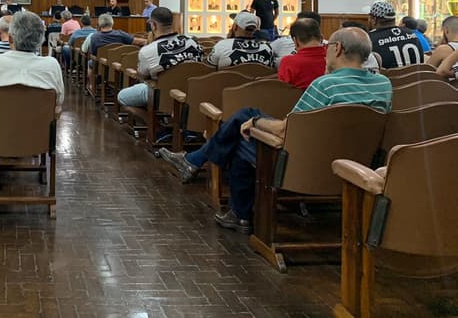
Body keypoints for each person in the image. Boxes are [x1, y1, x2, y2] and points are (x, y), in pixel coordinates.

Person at [159, 27, 391, 232]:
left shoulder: (325, 84)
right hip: (359, 162)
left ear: (337, 48)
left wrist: (257, 123)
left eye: (328, 46)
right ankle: (199, 167)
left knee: (243, 131)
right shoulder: (383, 84)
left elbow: (284, 130)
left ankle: (235, 209)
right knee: (245, 119)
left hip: (303, 166)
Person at [0, 11, 64, 193]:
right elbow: (58, 103)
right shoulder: (52, 65)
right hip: (37, 137)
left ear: (10, 38)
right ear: (40, 40)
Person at [116, 7, 203, 109]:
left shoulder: (147, 51)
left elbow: (142, 76)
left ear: (153, 25)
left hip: (160, 95)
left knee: (122, 96)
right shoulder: (193, 42)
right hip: (191, 93)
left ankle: (148, 119)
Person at [81, 13, 146, 92]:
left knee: (90, 63)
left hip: (101, 68)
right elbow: (137, 42)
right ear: (112, 22)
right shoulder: (121, 34)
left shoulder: (95, 37)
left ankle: (91, 85)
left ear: (99, 24)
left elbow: (94, 54)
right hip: (121, 67)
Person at [367, 1, 424, 69]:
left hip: (388, 79)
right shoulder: (412, 34)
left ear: (374, 19)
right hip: (418, 79)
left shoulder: (369, 40)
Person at [206, 12, 273, 69]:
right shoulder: (267, 48)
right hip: (261, 84)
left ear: (235, 27)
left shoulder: (222, 45)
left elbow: (209, 68)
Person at [276, 18, 326, 89]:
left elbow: (282, 91)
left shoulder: (288, 62)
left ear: (295, 41)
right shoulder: (333, 58)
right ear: (321, 37)